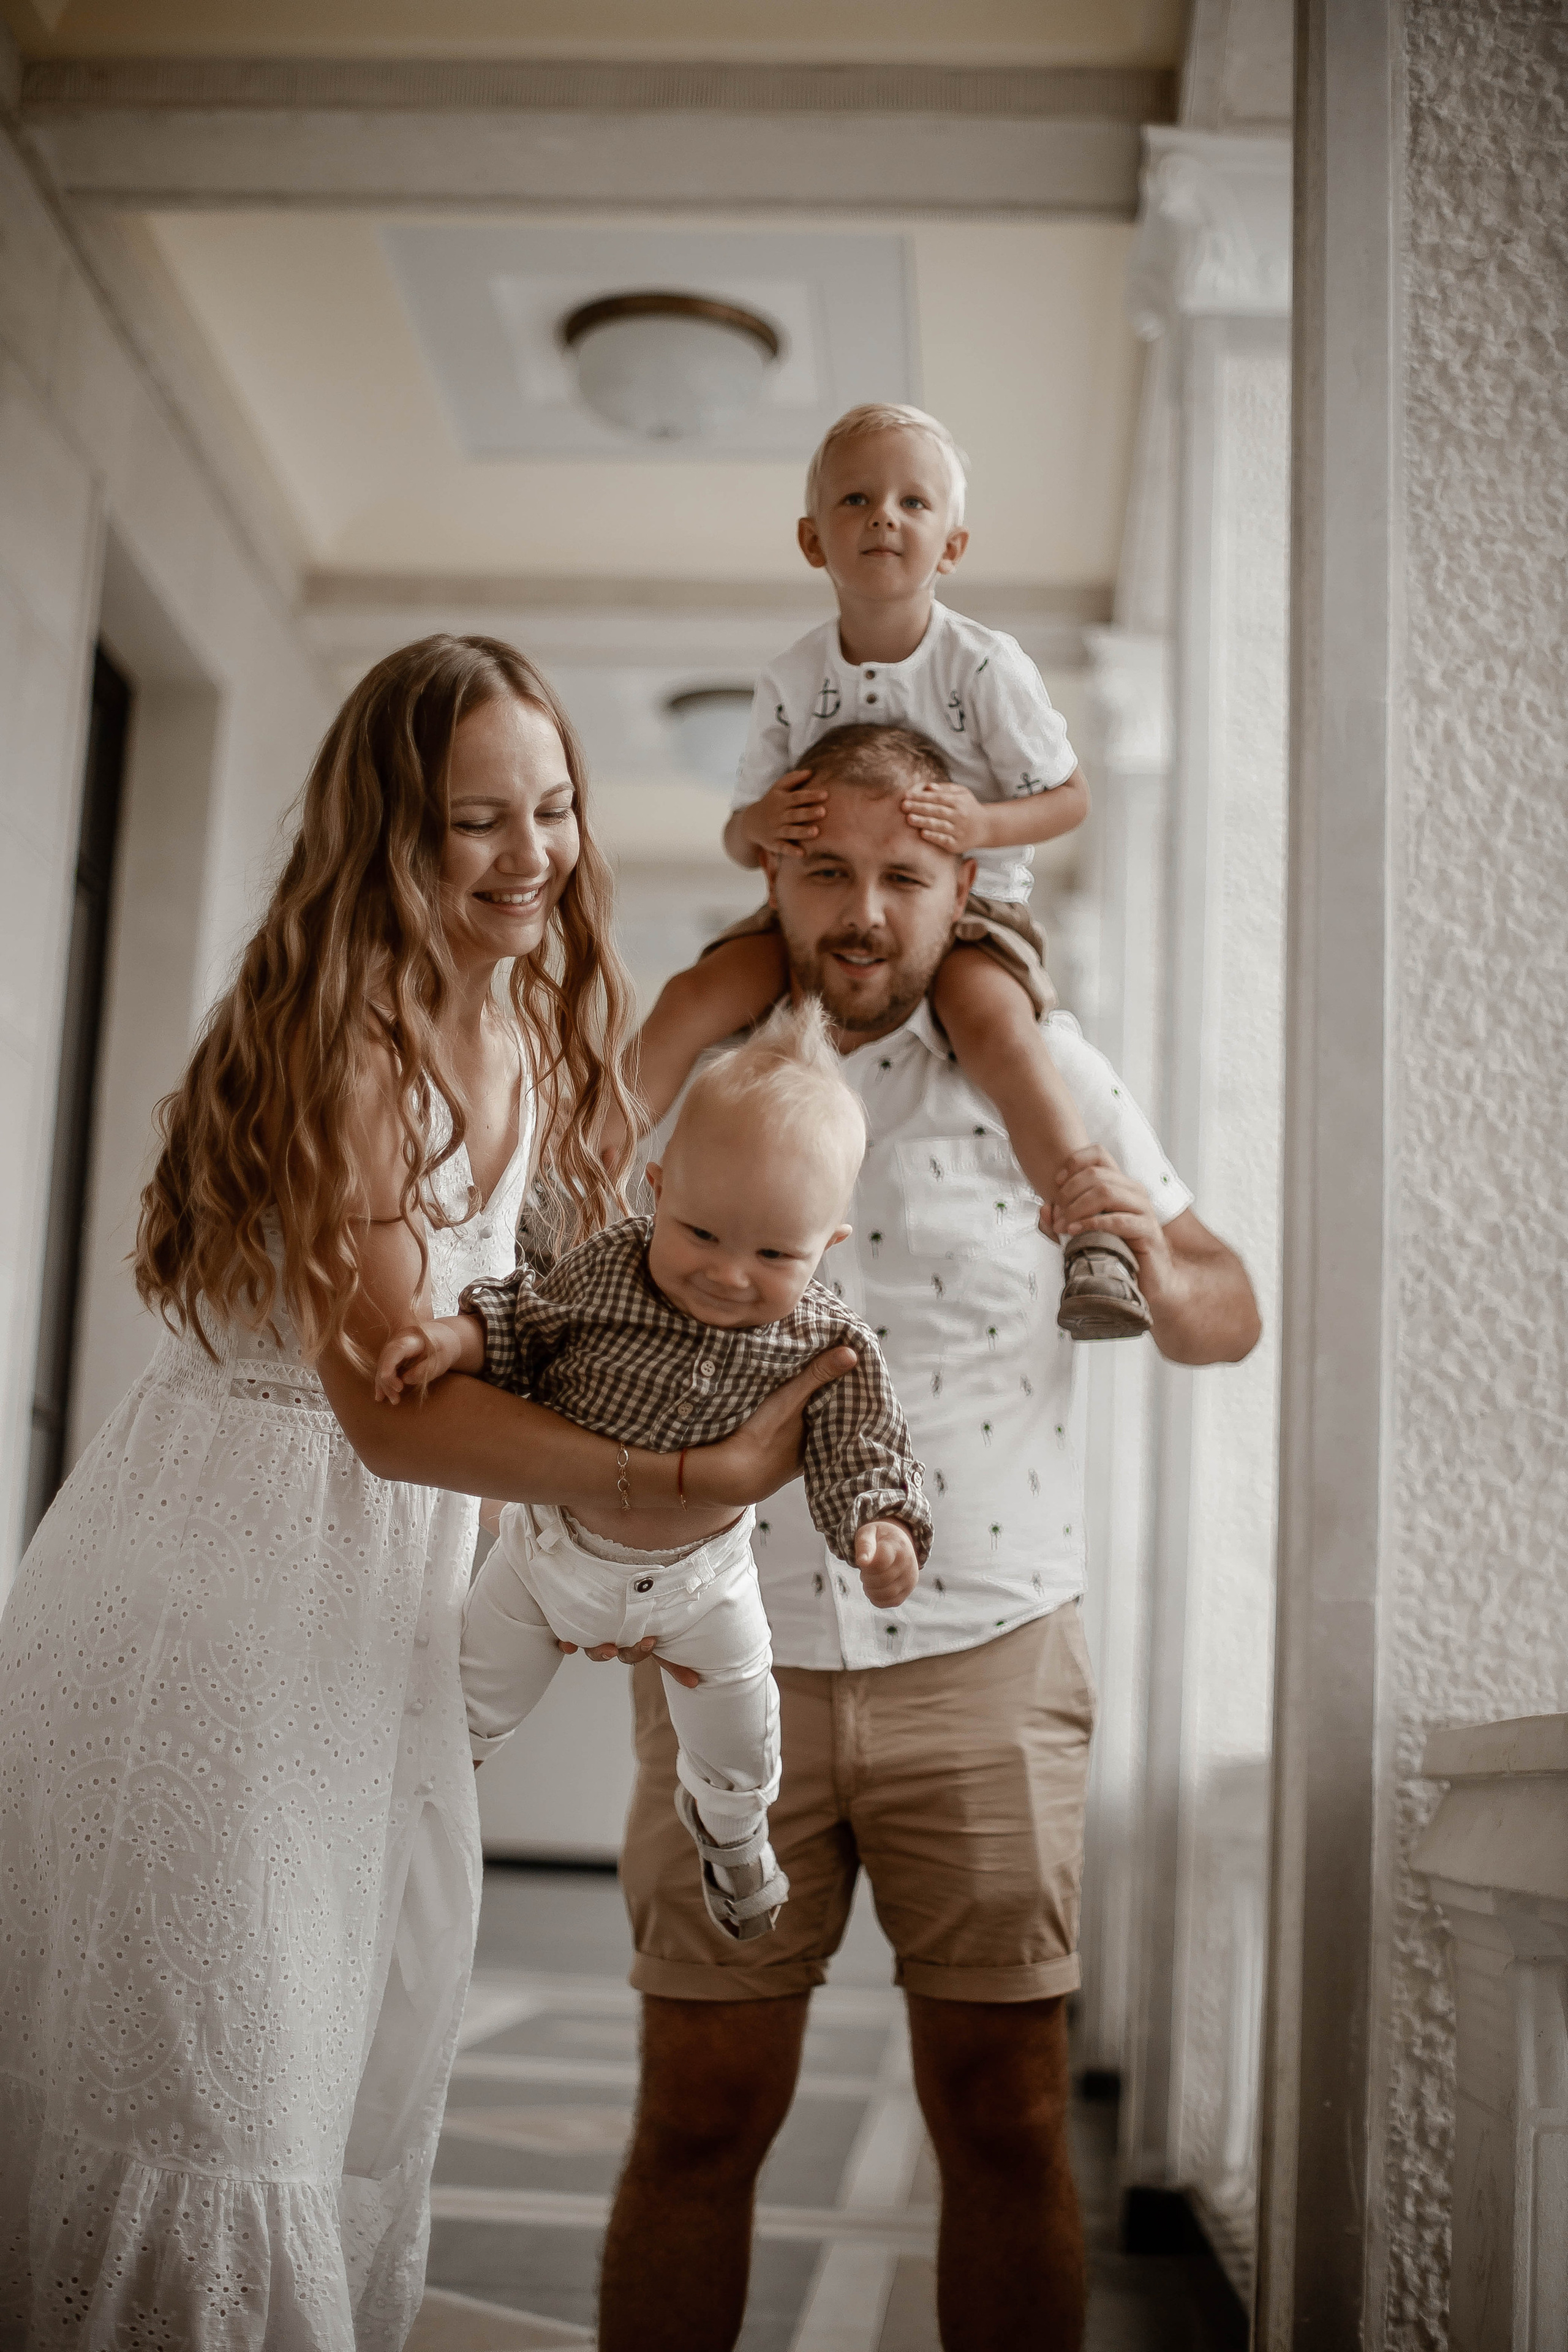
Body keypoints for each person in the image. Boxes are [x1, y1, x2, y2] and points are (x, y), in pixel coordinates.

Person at [0, 635, 852, 2352]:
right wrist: (688, 1481)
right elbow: (397, 1419)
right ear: (391, 833)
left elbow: (574, 1277)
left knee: (339, 2056)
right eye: (480, 820)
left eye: (555, 807)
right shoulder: (355, 1053)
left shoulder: (514, 1029)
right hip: (226, 1590)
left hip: (375, 1612)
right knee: (216, 2083)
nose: (534, 853)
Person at [595, 723, 1262, 2352]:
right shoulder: (685, 1072)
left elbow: (1226, 1302)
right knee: (700, 2108)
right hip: (729, 1653)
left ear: (968, 884)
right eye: (828, 869)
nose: (865, 912)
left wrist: (1155, 1276)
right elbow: (577, 1297)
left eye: (906, 875)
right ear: (774, 870)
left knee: (1007, 2115)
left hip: (993, 1653)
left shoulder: (1047, 1070)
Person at [372, 999, 931, 1944]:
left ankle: (733, 1833)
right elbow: (525, 1319)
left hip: (702, 1585)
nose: (728, 1273)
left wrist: (881, 1528)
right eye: (703, 1233)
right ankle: (407, 1810)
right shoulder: (612, 1268)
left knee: (739, 1732)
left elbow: (862, 1442)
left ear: (827, 1246)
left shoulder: (827, 1339)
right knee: (463, 1700)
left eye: (773, 1254)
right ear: (659, 1187)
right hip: (549, 1555)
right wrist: (453, 1337)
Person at [624, 398, 1151, 1343]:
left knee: (995, 1027)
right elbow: (741, 840)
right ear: (811, 538)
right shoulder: (792, 678)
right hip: (809, 906)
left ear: (951, 544)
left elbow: (1069, 798)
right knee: (699, 992)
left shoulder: (985, 669)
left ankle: (1089, 1227)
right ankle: (572, 1183)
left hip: (973, 910)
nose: (884, 519)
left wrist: (985, 823)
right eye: (858, 499)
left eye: (914, 503)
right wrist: (762, 823)